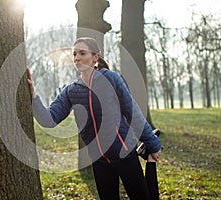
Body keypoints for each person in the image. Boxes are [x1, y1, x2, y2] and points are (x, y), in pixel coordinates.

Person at [27, 37, 161, 200]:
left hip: (124, 154)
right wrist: (33, 96)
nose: (76, 58)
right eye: (74, 54)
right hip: (99, 161)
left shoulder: (111, 79)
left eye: (82, 53)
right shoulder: (71, 91)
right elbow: (49, 120)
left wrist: (152, 143)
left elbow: (133, 113)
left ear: (95, 57)